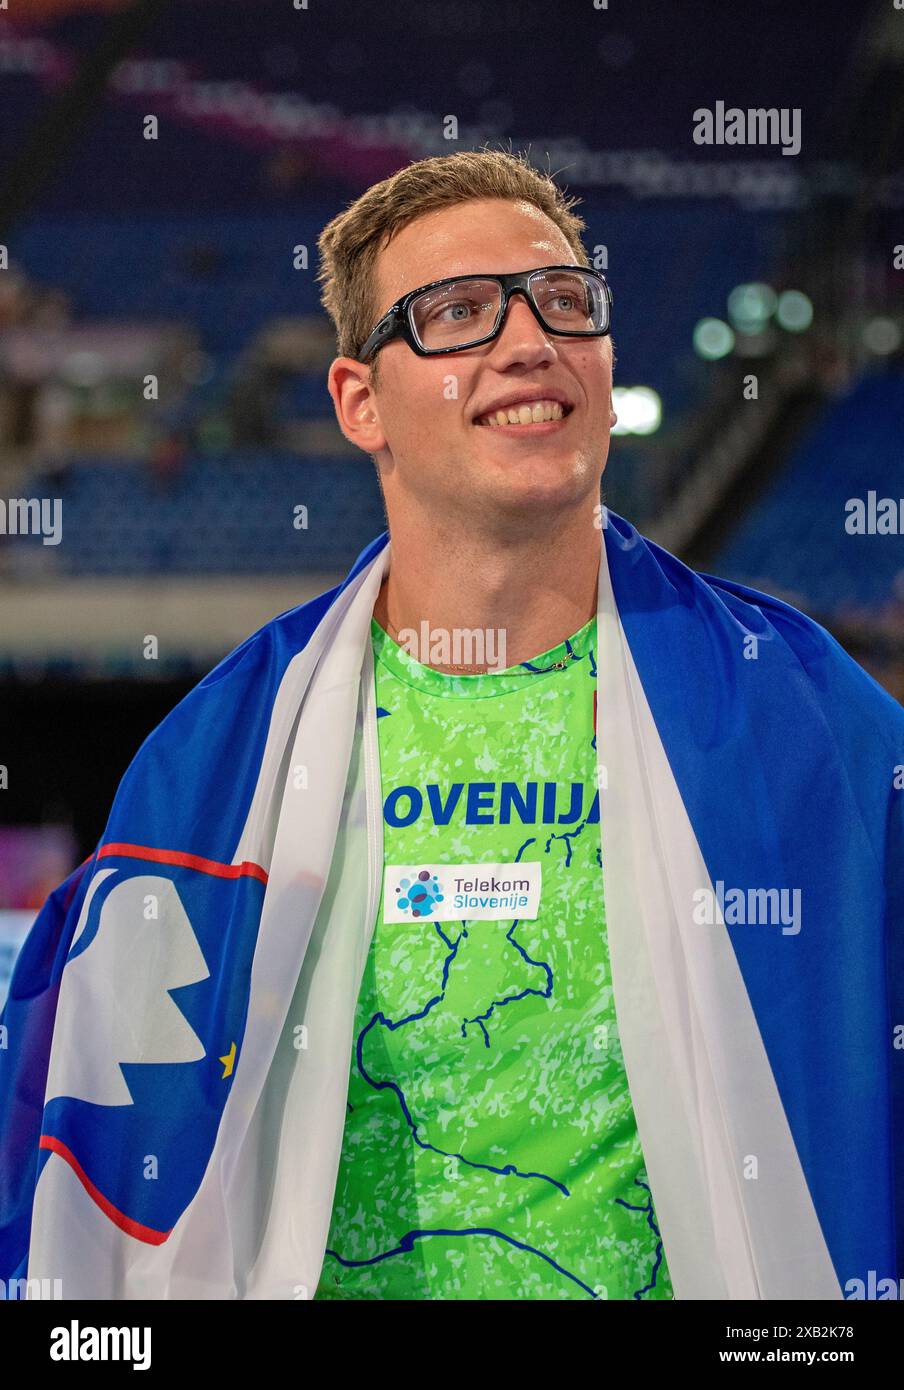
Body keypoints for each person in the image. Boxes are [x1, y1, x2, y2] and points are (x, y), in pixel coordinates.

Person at [1, 149, 901, 1302]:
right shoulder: (216, 762)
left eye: (564, 302)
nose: (529, 342)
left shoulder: (803, 715)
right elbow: (95, 1155)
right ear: (358, 401)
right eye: (458, 314)